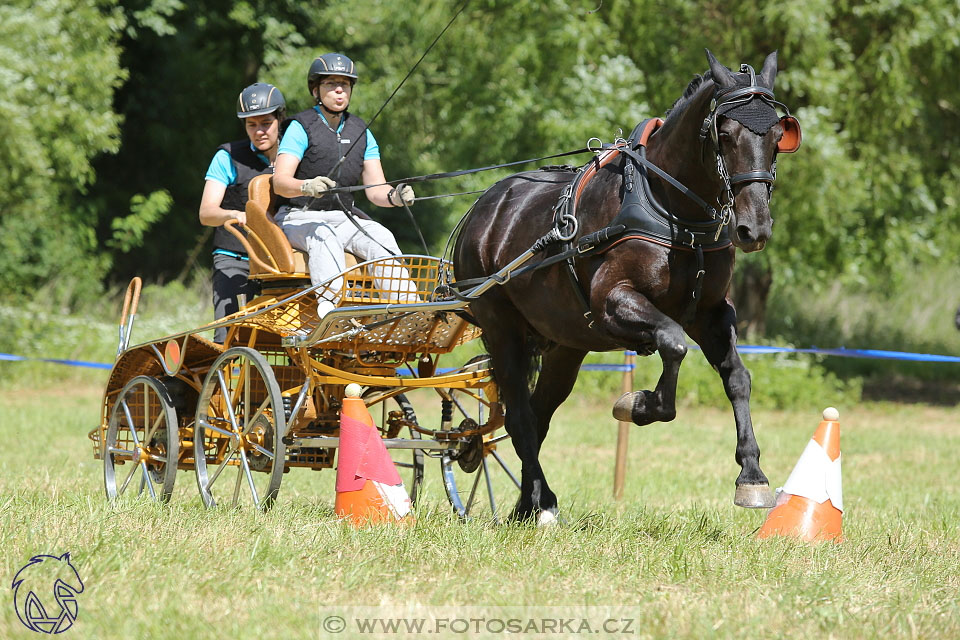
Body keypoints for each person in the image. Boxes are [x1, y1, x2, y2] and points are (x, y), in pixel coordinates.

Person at [272, 53, 417, 315]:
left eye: (345, 85)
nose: (339, 90)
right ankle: (330, 308)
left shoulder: (362, 131)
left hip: (342, 218)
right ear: (316, 90)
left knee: (381, 236)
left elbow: (376, 190)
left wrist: (395, 196)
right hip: (298, 218)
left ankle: (408, 310)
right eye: (331, 84)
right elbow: (280, 183)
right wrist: (306, 186)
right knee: (323, 235)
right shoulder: (299, 127)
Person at [199, 82, 286, 343]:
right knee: (227, 334)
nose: (259, 131)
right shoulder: (227, 157)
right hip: (234, 256)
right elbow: (206, 213)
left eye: (266, 123)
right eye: (251, 124)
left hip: (280, 263)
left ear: (280, 119)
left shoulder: (296, 156)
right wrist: (234, 215)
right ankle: (222, 375)